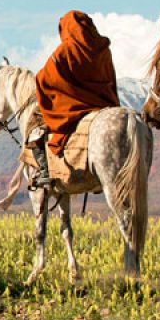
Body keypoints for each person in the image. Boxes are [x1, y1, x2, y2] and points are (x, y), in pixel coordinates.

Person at [30, 10, 120, 189]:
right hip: (104, 104)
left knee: (36, 134)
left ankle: (45, 173)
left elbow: (43, 79)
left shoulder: (66, 50)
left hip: (74, 107)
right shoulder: (103, 49)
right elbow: (111, 79)